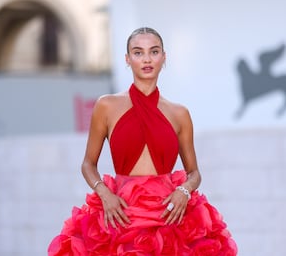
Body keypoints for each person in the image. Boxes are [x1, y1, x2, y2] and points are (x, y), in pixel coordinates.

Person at [48, 27, 238, 255]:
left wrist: (184, 191)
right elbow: (88, 163)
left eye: (154, 51)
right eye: (138, 53)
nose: (147, 59)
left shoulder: (179, 113)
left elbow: (194, 173)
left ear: (164, 57)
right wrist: (105, 194)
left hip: (169, 213)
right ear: (127, 59)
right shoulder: (106, 106)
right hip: (121, 212)